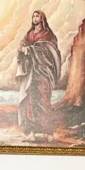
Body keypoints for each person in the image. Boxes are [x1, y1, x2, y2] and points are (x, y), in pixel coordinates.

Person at [17, 10, 62, 142]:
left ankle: (49, 133)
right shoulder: (29, 34)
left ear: (42, 18)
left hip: (43, 72)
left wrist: (31, 49)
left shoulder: (48, 34)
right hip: (31, 72)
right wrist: (22, 49)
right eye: (33, 16)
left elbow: (51, 50)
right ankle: (31, 133)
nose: (35, 18)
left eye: (37, 16)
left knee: (43, 101)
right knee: (30, 101)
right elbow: (21, 45)